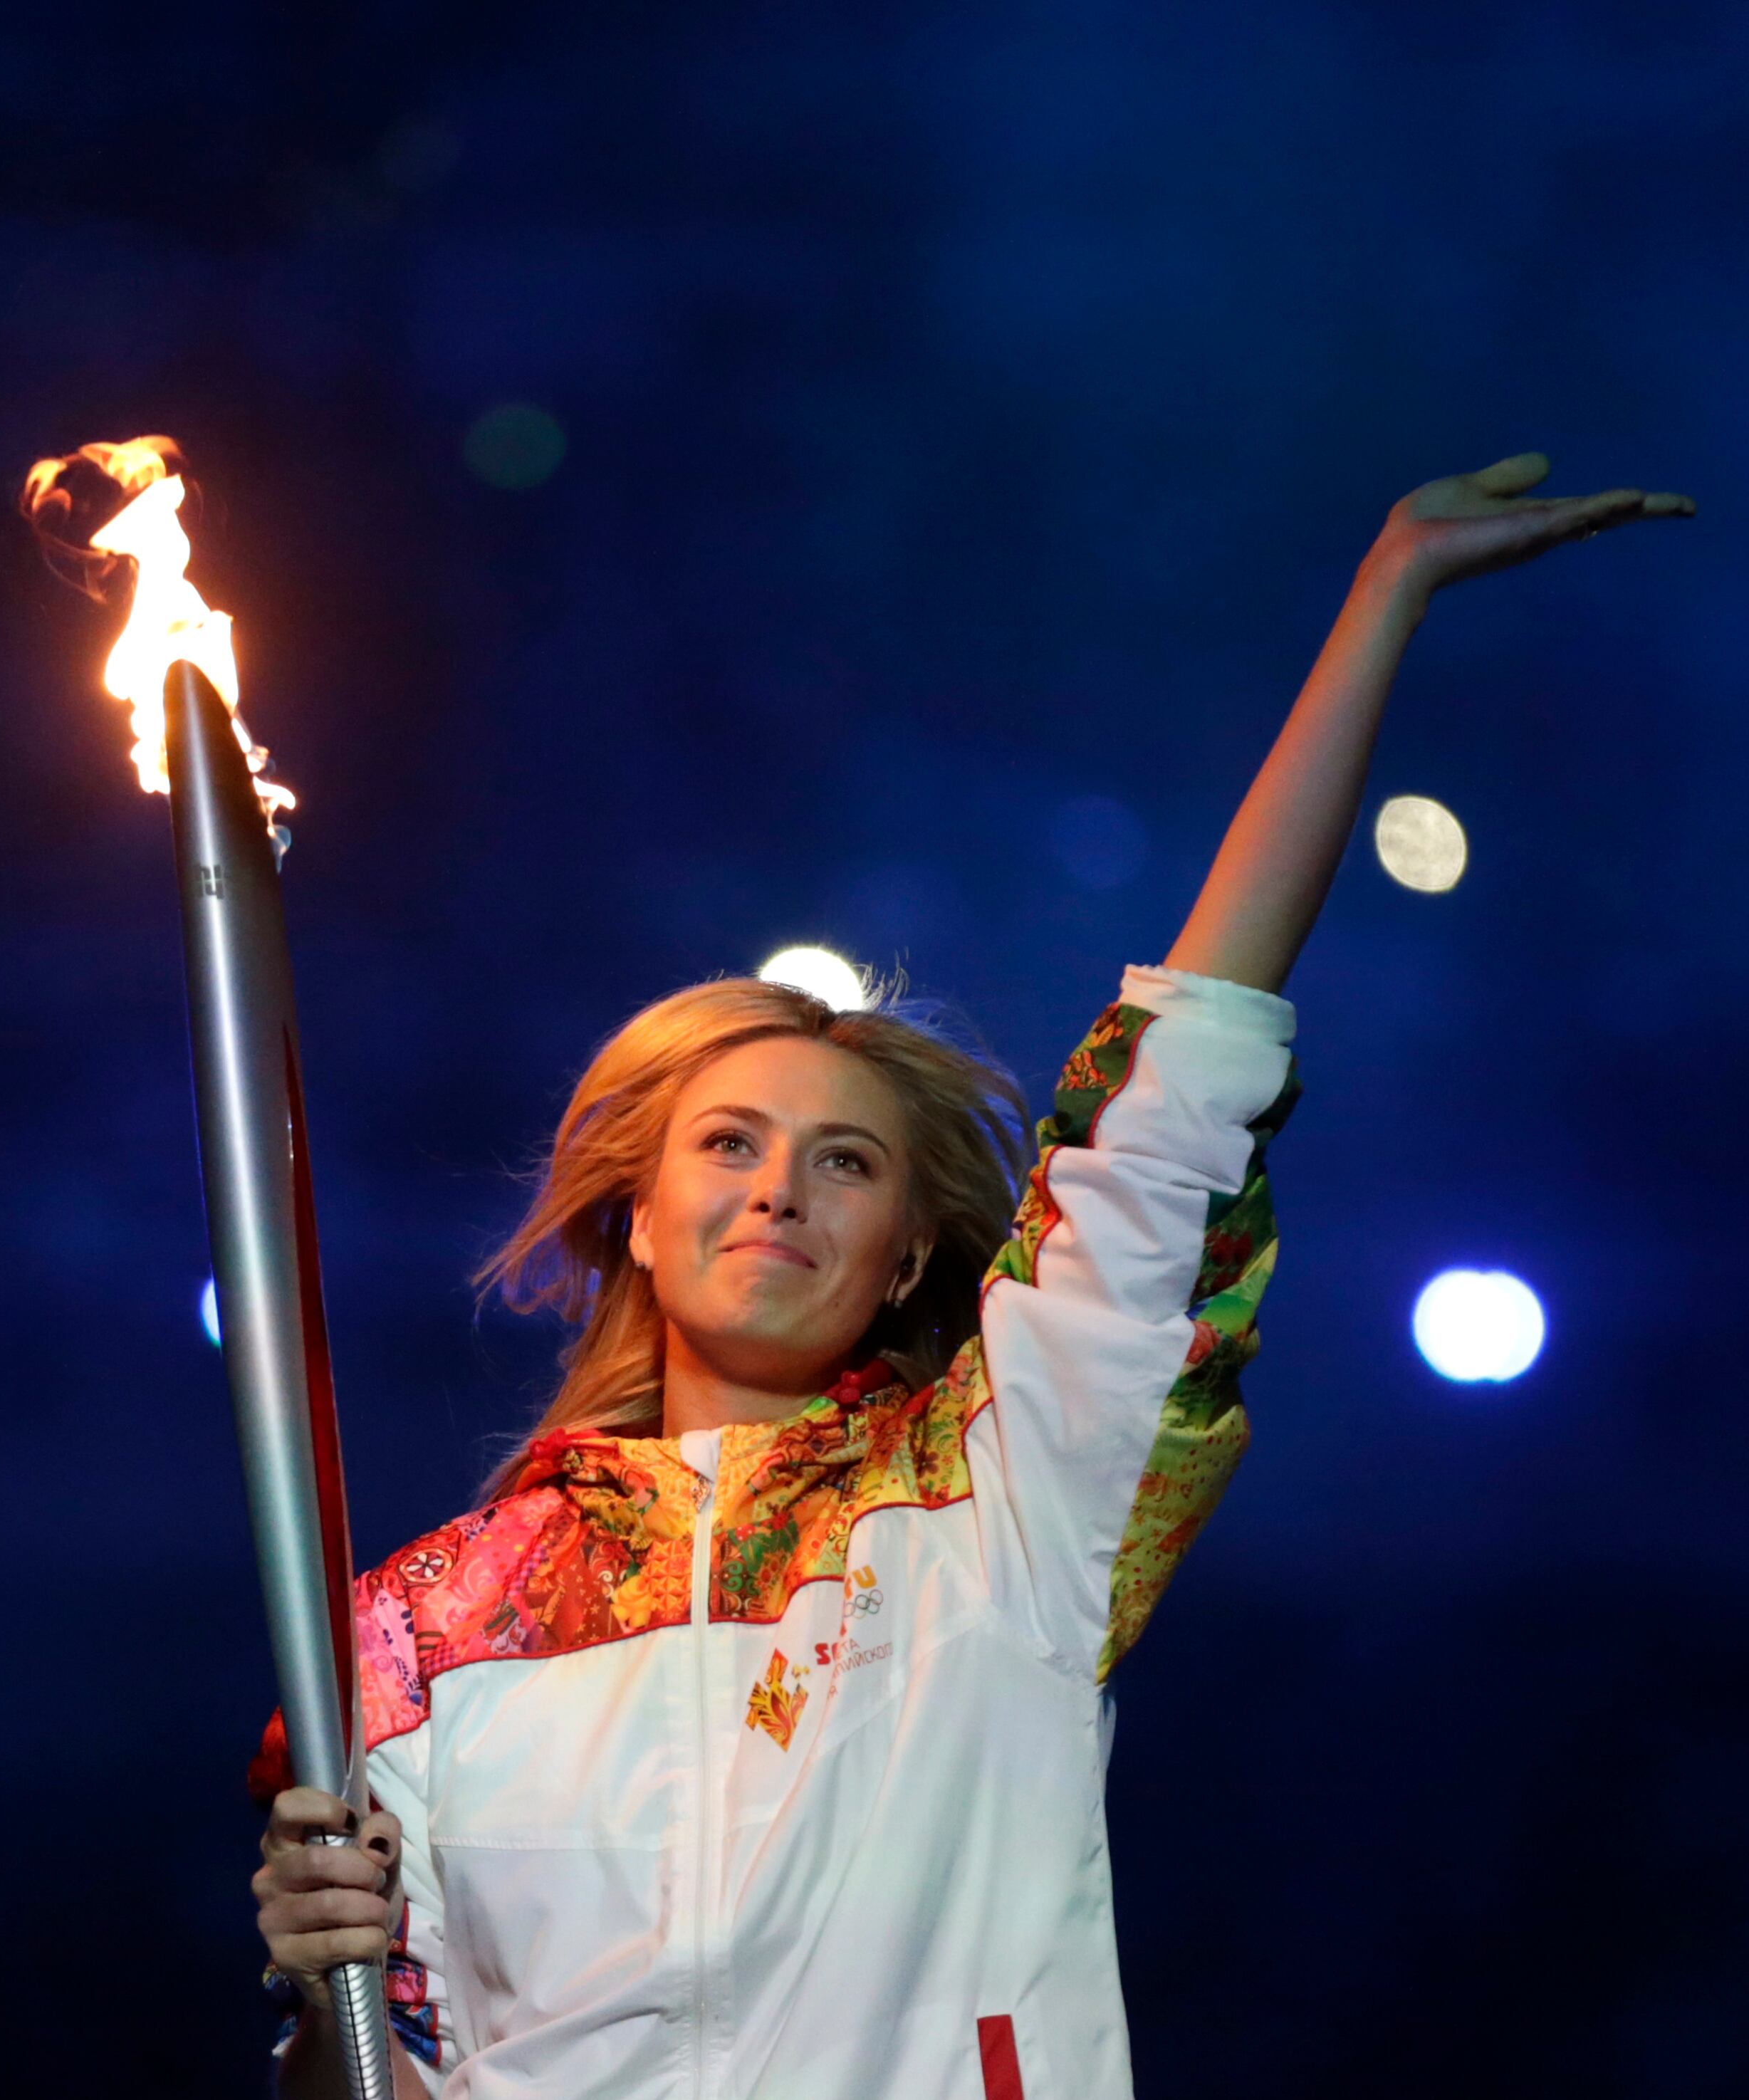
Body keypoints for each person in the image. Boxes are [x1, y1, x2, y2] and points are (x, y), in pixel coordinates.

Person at [248, 456, 1691, 2100]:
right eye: (728, 1142)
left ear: (907, 1255)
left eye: (845, 1162)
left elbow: (1176, 1096)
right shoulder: (415, 1634)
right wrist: (322, 1996)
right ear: (637, 1216)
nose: (779, 1187)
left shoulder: (1006, 1504)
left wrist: (1385, 599)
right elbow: (392, 2077)